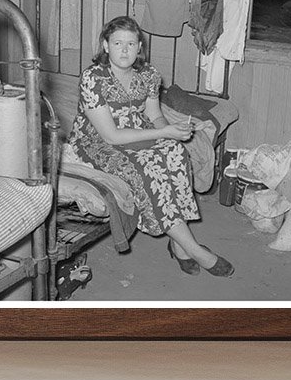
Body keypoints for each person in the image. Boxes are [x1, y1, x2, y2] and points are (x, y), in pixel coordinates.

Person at [67, 16, 234, 278]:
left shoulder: (149, 74)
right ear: (106, 45)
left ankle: (179, 246)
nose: (124, 50)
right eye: (118, 43)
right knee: (149, 166)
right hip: (98, 141)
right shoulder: (93, 78)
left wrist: (170, 132)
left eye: (131, 44)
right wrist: (162, 132)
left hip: (142, 131)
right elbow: (111, 136)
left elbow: (155, 115)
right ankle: (196, 251)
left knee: (176, 153)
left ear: (139, 47)